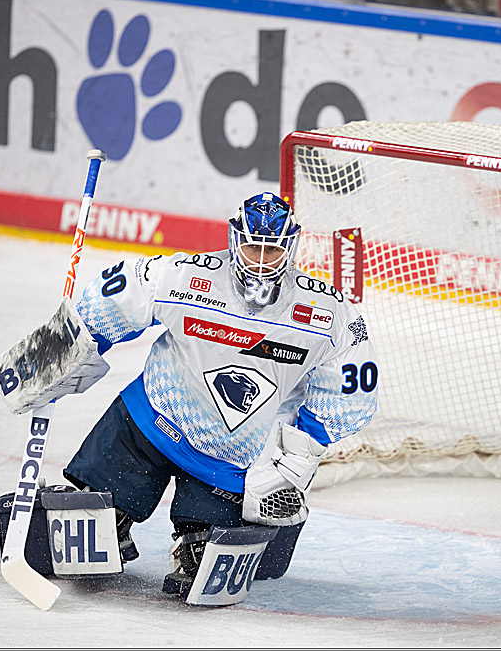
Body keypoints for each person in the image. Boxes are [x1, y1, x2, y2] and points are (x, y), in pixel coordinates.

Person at [61, 192, 378, 598]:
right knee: (91, 523)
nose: (261, 261)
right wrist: (70, 347)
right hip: (149, 422)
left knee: (207, 562)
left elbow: (352, 387)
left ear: (291, 247)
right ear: (234, 240)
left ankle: (197, 535)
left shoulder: (328, 312)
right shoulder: (184, 276)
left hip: (228, 457)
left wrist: (297, 454)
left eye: (272, 250)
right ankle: (112, 512)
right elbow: (121, 293)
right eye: (252, 247)